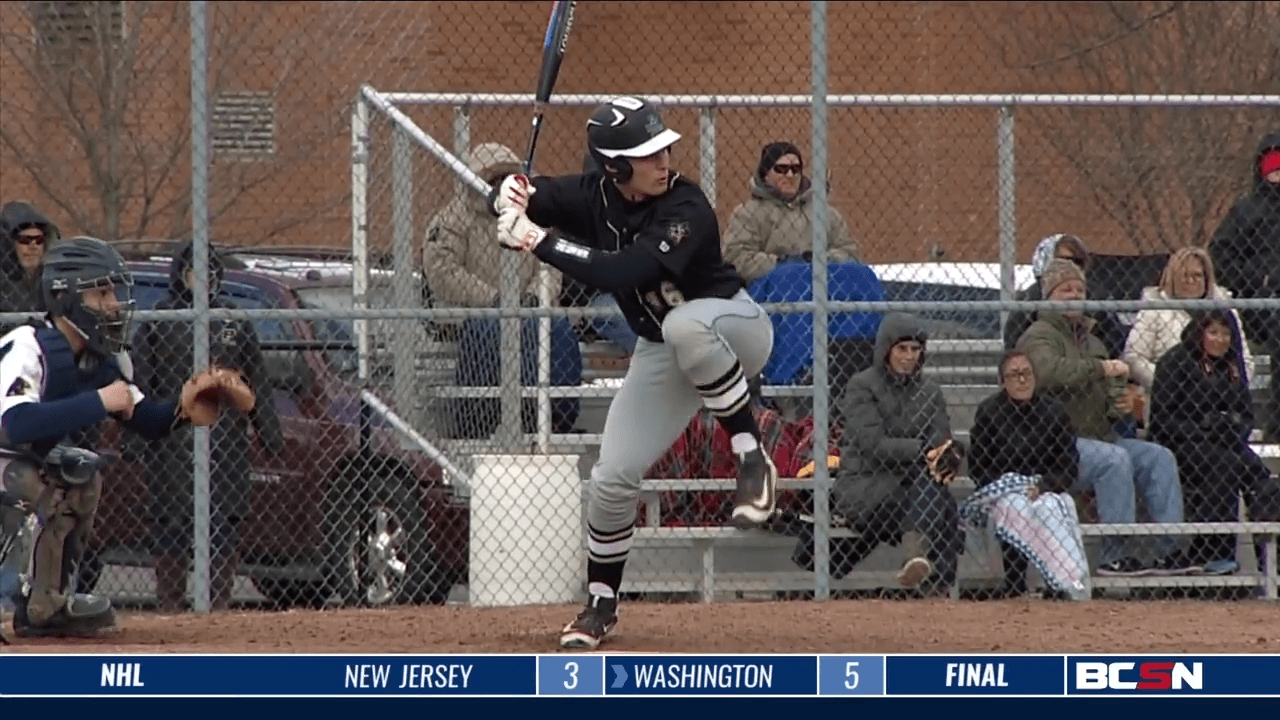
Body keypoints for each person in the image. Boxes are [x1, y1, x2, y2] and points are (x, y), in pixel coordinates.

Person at [488, 95, 775, 649]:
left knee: (686, 327)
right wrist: (506, 192)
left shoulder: (687, 206)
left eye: (663, 149)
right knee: (612, 475)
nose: (663, 159)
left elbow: (624, 269)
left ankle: (750, 455)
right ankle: (600, 605)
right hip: (661, 349)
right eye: (647, 155)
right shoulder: (591, 194)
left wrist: (536, 239)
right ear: (615, 168)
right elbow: (523, 191)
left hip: (733, 328)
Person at [0, 237, 221, 637]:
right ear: (66, 297)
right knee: (23, 478)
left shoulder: (98, 361)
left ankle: (46, 606)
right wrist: (98, 402)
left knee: (80, 475)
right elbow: (16, 423)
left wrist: (185, 411)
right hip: (6, 455)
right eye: (101, 292)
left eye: (113, 291)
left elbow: (148, 421)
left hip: (15, 456)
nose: (114, 303)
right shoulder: (30, 346)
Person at [131, 241, 284, 612]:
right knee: (172, 523)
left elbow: (257, 381)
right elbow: (142, 381)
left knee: (224, 524)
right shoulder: (159, 320)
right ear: (181, 276)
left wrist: (269, 434)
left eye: (212, 274)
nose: (205, 280)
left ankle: (217, 606)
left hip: (226, 441)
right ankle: (170, 604)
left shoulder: (232, 320)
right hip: (173, 443)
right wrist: (136, 438)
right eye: (196, 272)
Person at [1017, 258, 1195, 576]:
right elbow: (1047, 373)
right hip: (1057, 446)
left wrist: (1124, 403)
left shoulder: (1093, 340)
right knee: (1114, 460)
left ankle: (1170, 551)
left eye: (1079, 289)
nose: (1074, 295)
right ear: (1048, 296)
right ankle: (1115, 556)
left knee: (1158, 457)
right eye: (1065, 289)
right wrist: (1100, 368)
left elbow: (1105, 398)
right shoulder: (1038, 335)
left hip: (1099, 437)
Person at [424, 142, 582, 439]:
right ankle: (477, 417)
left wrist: (536, 297)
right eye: (492, 180)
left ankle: (555, 415)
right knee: (488, 328)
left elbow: (551, 264)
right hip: (477, 310)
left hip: (529, 309)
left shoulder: (534, 215)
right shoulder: (453, 219)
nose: (500, 186)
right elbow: (442, 269)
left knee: (557, 328)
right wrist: (493, 299)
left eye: (506, 179)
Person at [826, 312, 963, 597]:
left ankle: (924, 571)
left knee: (939, 495)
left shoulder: (930, 392)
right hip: (866, 486)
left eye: (915, 349)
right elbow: (873, 445)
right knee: (939, 501)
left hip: (911, 490)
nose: (909, 356)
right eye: (902, 348)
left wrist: (949, 452)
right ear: (886, 350)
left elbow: (941, 438)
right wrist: (925, 450)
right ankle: (937, 587)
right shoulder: (861, 385)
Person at [1149, 310, 1280, 576]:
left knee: (1262, 475)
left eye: (1225, 334)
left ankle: (1271, 563)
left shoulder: (1232, 365)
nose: (1220, 340)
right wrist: (1202, 427)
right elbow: (1161, 420)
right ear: (1199, 333)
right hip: (1182, 443)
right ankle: (1211, 553)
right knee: (1226, 465)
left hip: (1225, 442)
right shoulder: (1175, 361)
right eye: (1213, 333)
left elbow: (1246, 414)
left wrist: (1232, 426)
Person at [968, 350, 1079, 597]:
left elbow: (1069, 464)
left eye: (1026, 373)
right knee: (1014, 506)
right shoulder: (989, 412)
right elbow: (978, 467)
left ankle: (1061, 584)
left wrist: (1045, 485)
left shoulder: (1054, 411)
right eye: (1014, 375)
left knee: (1051, 506)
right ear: (1002, 381)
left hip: (1045, 485)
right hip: (1004, 489)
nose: (1022, 380)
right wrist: (1010, 486)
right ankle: (1016, 586)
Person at [1210, 132, 1280, 440]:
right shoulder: (1247, 211)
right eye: (1275, 171)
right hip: (1260, 303)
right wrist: (1256, 280)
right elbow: (1221, 256)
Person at [722, 141, 860, 284]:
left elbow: (850, 252)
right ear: (765, 174)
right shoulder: (749, 214)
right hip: (774, 287)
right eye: (781, 169)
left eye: (795, 169)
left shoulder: (825, 213)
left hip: (824, 283)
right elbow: (736, 257)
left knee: (864, 278)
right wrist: (782, 263)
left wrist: (817, 260)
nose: (789, 175)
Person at [1123, 247, 1252, 392]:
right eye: (1184, 275)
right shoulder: (1154, 307)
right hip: (1168, 392)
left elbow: (1245, 361)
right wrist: (1168, 381)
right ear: (1172, 278)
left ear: (1207, 278)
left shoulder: (1226, 310)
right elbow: (1133, 357)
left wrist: (1225, 387)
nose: (1190, 281)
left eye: (1197, 275)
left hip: (1218, 391)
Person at [1003, 233, 1128, 359]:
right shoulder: (1030, 297)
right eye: (1064, 260)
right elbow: (1012, 341)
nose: (1071, 266)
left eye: (1077, 262)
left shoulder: (1097, 295)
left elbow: (1115, 340)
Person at [0, 201, 60, 334]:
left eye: (39, 240)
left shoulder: (52, 280)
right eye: (24, 240)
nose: (33, 247)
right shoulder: (4, 284)